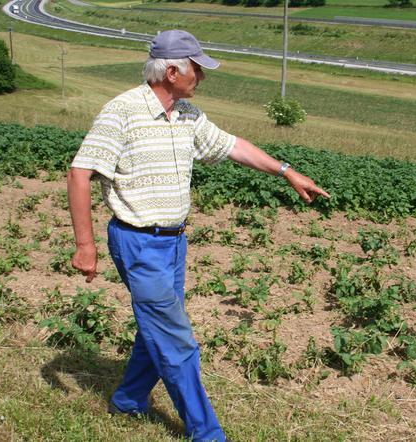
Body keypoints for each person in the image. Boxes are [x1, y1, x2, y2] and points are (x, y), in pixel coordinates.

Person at [66, 29, 329, 441]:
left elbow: (232, 146)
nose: (202, 77)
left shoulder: (187, 114)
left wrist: (287, 172)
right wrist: (85, 246)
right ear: (172, 72)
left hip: (174, 242)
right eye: (197, 70)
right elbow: (80, 173)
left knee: (157, 328)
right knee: (177, 341)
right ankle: (207, 434)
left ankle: (128, 400)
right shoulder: (122, 111)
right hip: (138, 242)